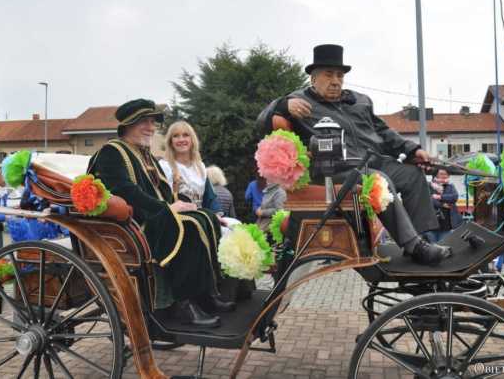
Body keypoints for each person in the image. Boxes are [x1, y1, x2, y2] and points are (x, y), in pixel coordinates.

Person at [257, 44, 451, 265]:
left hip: (375, 160)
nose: (335, 81)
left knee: (412, 175)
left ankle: (420, 240)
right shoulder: (298, 101)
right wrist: (282, 105)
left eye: (340, 75)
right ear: (313, 78)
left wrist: (413, 150)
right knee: (378, 182)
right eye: (328, 75)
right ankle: (414, 245)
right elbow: (262, 121)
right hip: (337, 170)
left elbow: (383, 131)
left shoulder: (360, 100)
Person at [88, 99, 234, 328]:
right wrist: (166, 209)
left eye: (152, 122)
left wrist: (179, 203)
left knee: (204, 217)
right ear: (128, 124)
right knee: (189, 227)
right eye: (144, 122)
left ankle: (205, 295)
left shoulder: (143, 153)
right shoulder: (112, 152)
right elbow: (125, 190)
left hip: (155, 215)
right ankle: (183, 304)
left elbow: (163, 189)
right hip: (133, 223)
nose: (151, 127)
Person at [158, 121, 221, 214]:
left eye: (185, 135)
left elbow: (210, 200)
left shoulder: (200, 167)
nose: (181, 139)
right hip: (175, 222)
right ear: (170, 142)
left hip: (200, 220)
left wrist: (216, 216)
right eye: (176, 136)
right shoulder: (164, 167)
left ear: (192, 139)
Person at [428, 168, 463, 242]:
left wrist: (440, 197)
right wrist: (442, 204)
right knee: (432, 247)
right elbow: (429, 199)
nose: (444, 176)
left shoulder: (450, 186)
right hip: (431, 223)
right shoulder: (429, 186)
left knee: (444, 245)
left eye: (446, 174)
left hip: (447, 224)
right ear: (435, 175)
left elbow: (454, 197)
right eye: (441, 174)